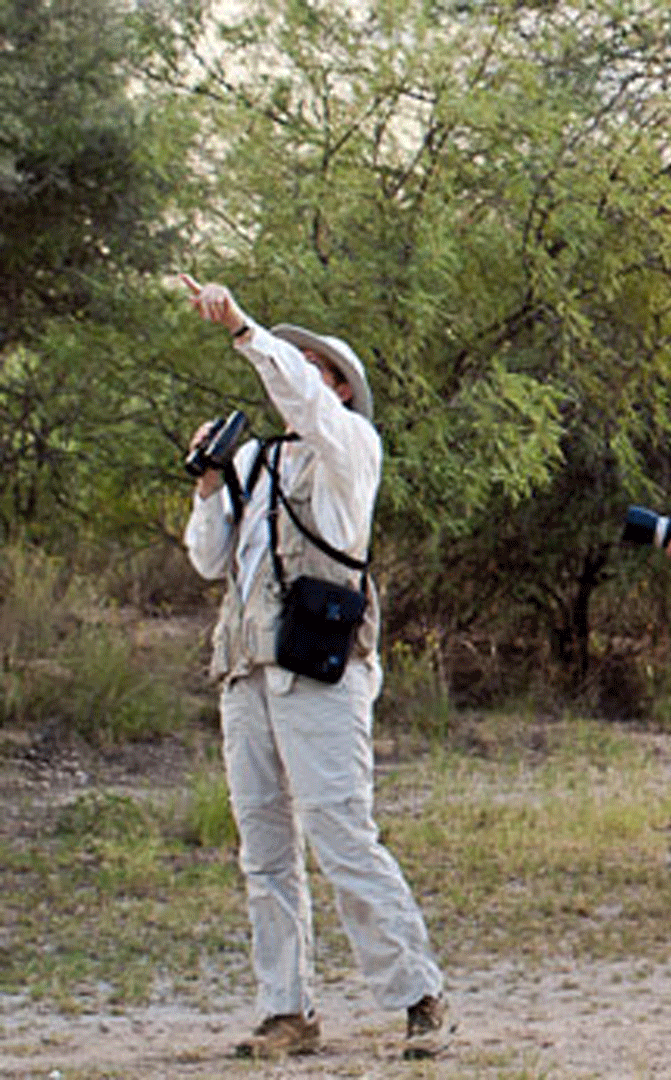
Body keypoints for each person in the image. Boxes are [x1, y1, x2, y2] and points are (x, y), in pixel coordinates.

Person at [179, 277, 451, 1060]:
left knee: (341, 833)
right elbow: (209, 560)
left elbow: (301, 399)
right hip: (248, 669)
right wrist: (207, 482)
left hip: (320, 671)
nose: (292, 369)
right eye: (292, 358)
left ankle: (420, 996)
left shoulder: (350, 448)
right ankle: (285, 1009)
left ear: (338, 387)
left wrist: (243, 330)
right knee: (263, 847)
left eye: (310, 364)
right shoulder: (259, 460)